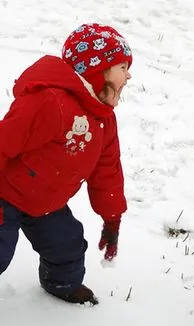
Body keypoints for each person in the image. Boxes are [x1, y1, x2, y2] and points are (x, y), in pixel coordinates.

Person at [0, 23, 132, 305]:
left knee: (68, 245)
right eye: (122, 67)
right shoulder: (49, 102)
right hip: (5, 194)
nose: (128, 75)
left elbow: (107, 170)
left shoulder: (103, 118)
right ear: (98, 71)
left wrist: (112, 217)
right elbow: (4, 142)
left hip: (46, 203)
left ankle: (62, 283)